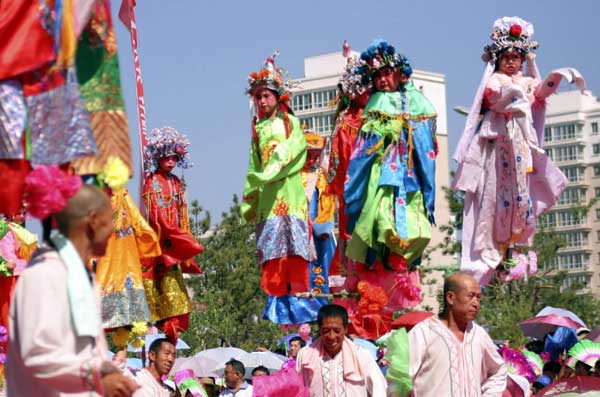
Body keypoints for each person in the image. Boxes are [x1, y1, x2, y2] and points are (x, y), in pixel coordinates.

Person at [453, 16, 586, 284]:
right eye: (507, 56)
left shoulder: (525, 81)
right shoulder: (495, 81)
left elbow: (539, 94)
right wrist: (515, 94)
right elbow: (499, 102)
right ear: (498, 59)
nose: (512, 61)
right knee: (495, 201)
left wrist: (557, 76)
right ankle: (498, 253)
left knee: (521, 201)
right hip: (498, 151)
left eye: (517, 56)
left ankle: (515, 251)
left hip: (520, 152)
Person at [7, 166, 139, 397]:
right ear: (93, 221)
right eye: (111, 221)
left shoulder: (84, 277)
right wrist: (96, 376)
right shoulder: (44, 273)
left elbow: (88, 355)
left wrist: (108, 373)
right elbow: (37, 353)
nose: (114, 231)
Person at [241, 53, 311, 307]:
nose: (261, 100)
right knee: (272, 246)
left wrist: (272, 169)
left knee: (294, 243)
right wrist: (251, 199)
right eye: (257, 96)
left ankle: (299, 295)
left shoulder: (289, 122)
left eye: (266, 95)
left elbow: (296, 148)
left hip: (289, 191)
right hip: (269, 194)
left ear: (277, 97)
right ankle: (278, 300)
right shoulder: (257, 129)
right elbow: (254, 164)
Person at [387, 272, 506, 396]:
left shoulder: (479, 335)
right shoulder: (424, 332)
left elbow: (498, 370)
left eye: (478, 298)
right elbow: (398, 381)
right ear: (450, 297)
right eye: (471, 296)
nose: (476, 303)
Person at [262, 130, 335, 325]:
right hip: (293, 234)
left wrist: (323, 226)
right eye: (307, 155)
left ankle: (319, 307)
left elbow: (326, 202)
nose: (311, 160)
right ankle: (292, 310)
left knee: (319, 274)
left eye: (314, 156)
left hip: (317, 235)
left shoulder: (320, 176)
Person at [142, 126, 203, 331]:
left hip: (173, 236)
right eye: (167, 157)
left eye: (175, 158)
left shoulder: (176, 182)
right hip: (159, 235)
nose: (171, 162)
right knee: (155, 275)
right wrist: (165, 228)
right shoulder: (151, 180)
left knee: (173, 279)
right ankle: (156, 318)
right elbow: (152, 210)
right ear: (158, 156)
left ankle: (172, 322)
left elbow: (182, 211)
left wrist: (182, 235)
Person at [296, 304, 387, 396]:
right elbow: (296, 389)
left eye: (337, 330)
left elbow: (379, 390)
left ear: (345, 329)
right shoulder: (305, 355)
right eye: (326, 330)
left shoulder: (361, 355)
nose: (331, 336)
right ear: (320, 330)